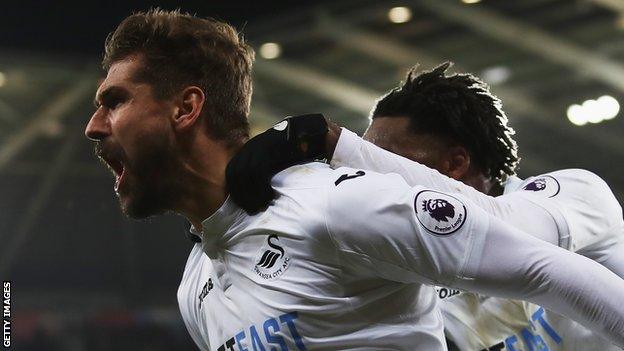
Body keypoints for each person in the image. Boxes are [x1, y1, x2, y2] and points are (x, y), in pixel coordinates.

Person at [85, 10, 624, 351]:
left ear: (187, 108)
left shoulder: (338, 206)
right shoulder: (194, 289)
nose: (93, 127)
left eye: (114, 101)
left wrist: (333, 143)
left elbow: (537, 256)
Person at [227, 63, 624, 350]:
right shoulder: (417, 270)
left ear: (455, 164)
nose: (368, 172)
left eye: (380, 156)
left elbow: (514, 230)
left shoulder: (576, 192)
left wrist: (337, 145)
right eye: (364, 155)